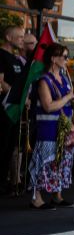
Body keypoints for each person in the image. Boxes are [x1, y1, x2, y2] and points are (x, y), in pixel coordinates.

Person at [28, 44, 74, 210]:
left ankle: (57, 195)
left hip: (64, 128)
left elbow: (67, 101)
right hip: (48, 128)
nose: (67, 60)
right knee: (44, 161)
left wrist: (73, 99)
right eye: (64, 57)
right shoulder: (44, 80)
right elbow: (48, 106)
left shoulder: (64, 78)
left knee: (61, 161)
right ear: (53, 59)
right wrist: (68, 97)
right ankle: (36, 198)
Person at [0, 25, 25, 194]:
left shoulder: (16, 59)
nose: (22, 40)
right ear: (9, 37)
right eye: (20, 37)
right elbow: (1, 82)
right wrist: (16, 96)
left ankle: (4, 183)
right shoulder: (1, 55)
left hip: (16, 110)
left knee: (11, 147)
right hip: (4, 108)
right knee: (2, 146)